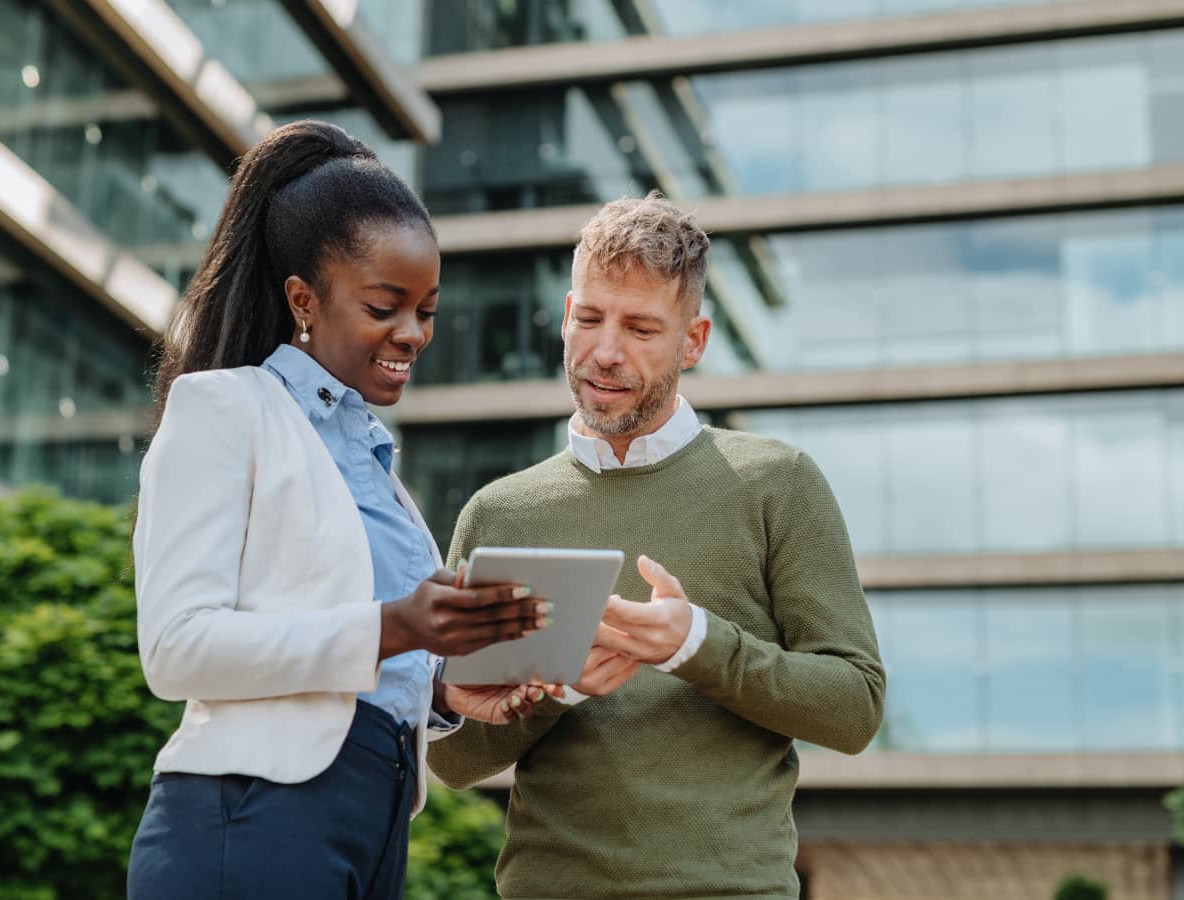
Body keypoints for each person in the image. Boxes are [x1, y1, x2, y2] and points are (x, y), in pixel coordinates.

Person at [127, 120, 551, 900]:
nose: (413, 334)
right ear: (303, 299)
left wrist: (442, 690)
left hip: (371, 820)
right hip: (252, 820)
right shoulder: (224, 409)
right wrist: (400, 624)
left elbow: (353, 660)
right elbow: (176, 648)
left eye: (426, 309)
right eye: (386, 306)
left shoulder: (373, 460)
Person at [427, 192, 886, 900]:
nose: (605, 352)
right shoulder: (499, 514)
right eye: (588, 318)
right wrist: (562, 685)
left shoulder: (777, 484)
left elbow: (854, 708)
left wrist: (694, 645)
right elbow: (455, 761)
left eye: (642, 328)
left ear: (693, 341)